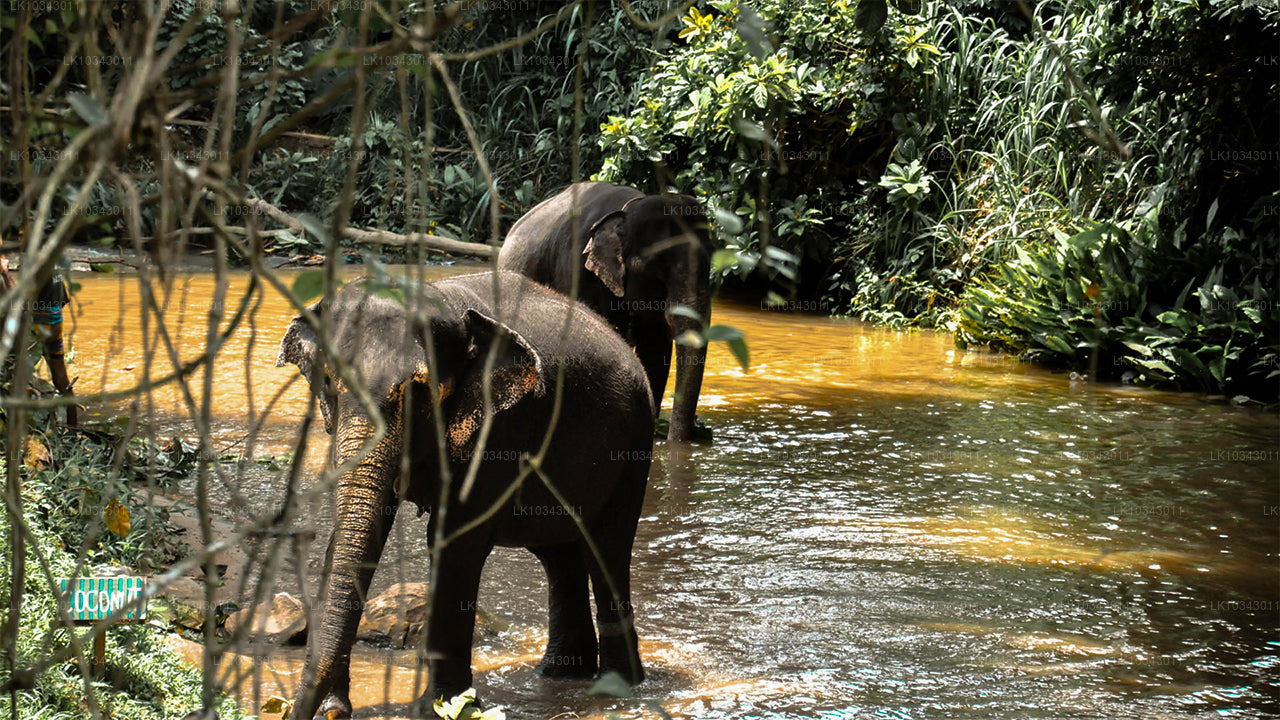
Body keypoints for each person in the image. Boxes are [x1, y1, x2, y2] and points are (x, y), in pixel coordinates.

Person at [0, 255, 77, 426]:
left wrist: (5, 274)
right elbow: (65, 299)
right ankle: (74, 427)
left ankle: (17, 426)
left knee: (14, 372)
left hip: (37, 327)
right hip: (55, 323)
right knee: (61, 379)